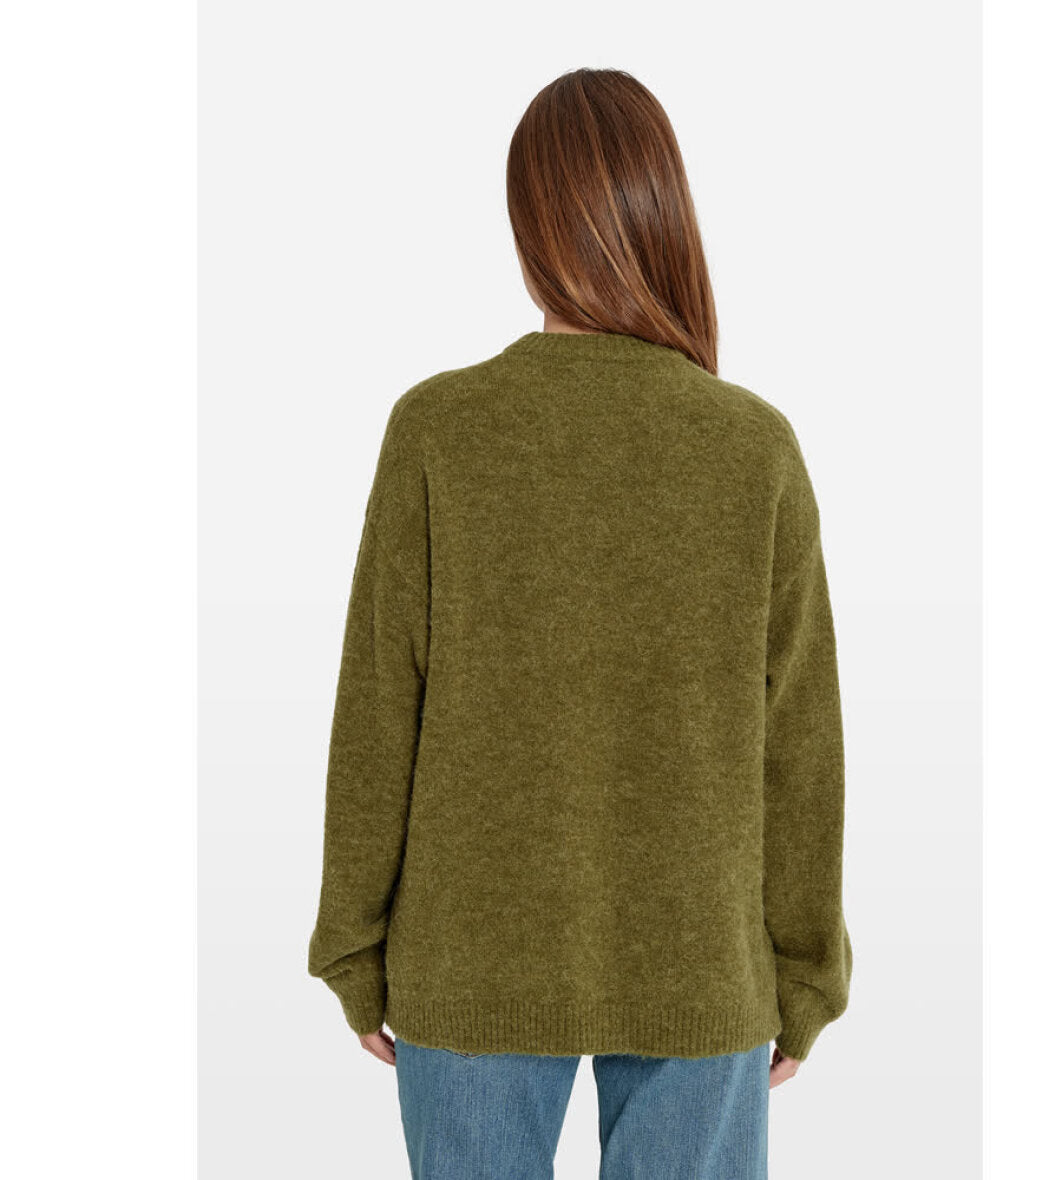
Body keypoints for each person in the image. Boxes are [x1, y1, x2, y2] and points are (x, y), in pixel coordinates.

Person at [308, 66, 852, 1179]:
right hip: (698, 963)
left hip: (470, 957)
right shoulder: (752, 449)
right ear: (666, 214)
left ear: (527, 228)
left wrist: (353, 942)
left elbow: (378, 710)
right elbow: (801, 746)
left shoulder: (438, 430)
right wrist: (806, 972)